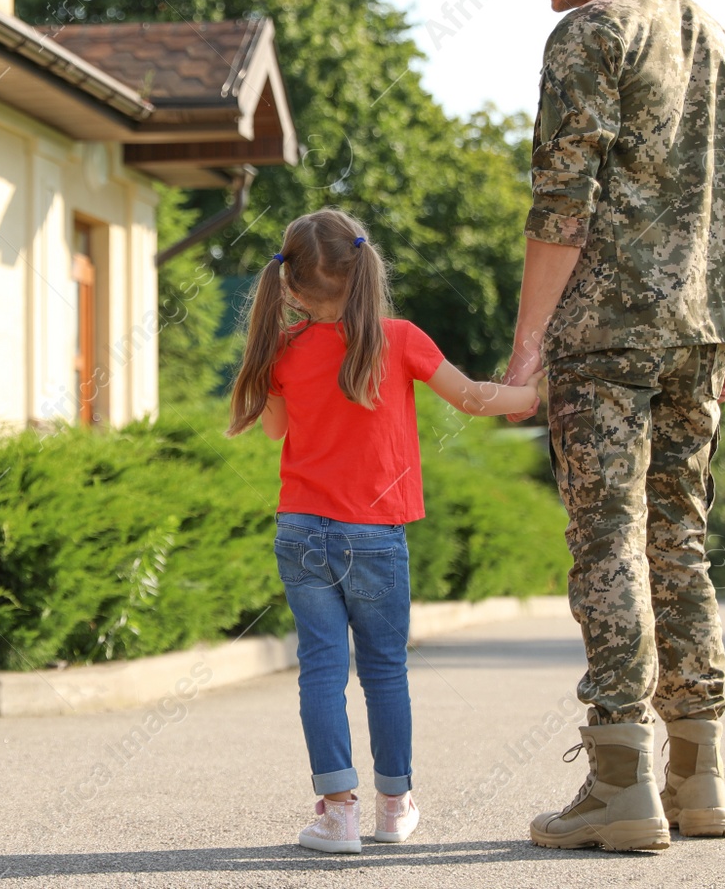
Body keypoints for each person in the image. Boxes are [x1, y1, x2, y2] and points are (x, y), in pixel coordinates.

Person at [498, 0, 725, 852]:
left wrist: (528, 345)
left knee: (609, 540)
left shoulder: (588, 35)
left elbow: (559, 205)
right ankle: (696, 781)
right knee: (681, 542)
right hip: (700, 328)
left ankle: (619, 781)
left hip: (607, 333)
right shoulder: (710, 31)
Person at [226, 208, 541, 853]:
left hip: (302, 531)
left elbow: (276, 431)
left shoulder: (281, 350)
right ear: (365, 268)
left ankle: (337, 814)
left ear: (289, 285)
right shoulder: (399, 339)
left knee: (320, 670)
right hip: (374, 535)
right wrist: (532, 395)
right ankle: (394, 808)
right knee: (385, 672)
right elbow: (476, 398)